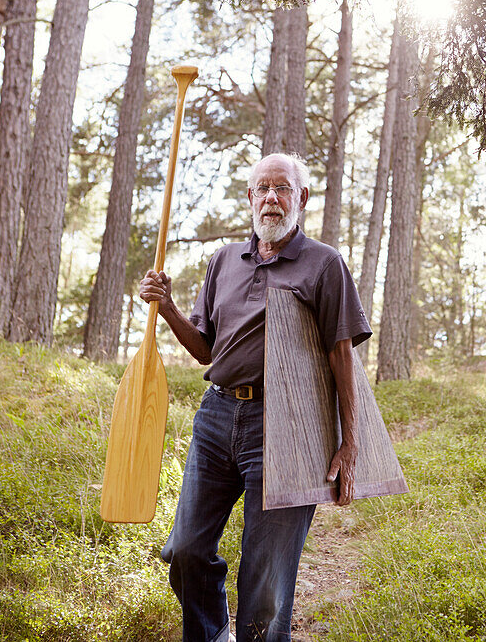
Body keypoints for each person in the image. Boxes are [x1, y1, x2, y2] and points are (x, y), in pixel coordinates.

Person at [138, 152, 371, 642]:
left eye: (282, 188)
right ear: (249, 197)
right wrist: (168, 308)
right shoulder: (223, 261)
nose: (271, 198)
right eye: (262, 188)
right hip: (217, 416)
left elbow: (341, 355)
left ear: (301, 198)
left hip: (287, 424)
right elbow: (204, 350)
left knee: (266, 580)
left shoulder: (325, 264)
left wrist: (351, 444)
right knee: (184, 550)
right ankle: (215, 632)